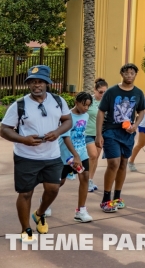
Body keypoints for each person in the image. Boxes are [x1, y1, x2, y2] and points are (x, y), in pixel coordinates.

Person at [0, 65, 72, 243]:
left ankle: (39, 214)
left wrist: (57, 132)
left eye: (40, 81)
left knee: (53, 188)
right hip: (26, 156)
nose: (36, 85)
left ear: (47, 83)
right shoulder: (19, 104)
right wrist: (23, 139)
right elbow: (4, 130)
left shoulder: (58, 101)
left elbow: (68, 120)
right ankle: (26, 229)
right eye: (32, 82)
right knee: (25, 193)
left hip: (52, 155)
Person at [95, 63, 145, 213]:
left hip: (128, 133)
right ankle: (106, 199)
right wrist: (99, 134)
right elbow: (101, 112)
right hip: (111, 131)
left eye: (132, 73)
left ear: (135, 75)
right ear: (122, 74)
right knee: (114, 163)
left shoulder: (138, 93)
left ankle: (117, 197)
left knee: (123, 164)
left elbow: (142, 110)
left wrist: (135, 125)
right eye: (126, 73)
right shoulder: (111, 91)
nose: (129, 76)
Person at [49, 91, 94, 223]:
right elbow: (66, 137)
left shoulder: (85, 116)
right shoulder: (67, 116)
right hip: (66, 153)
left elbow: (82, 133)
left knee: (85, 177)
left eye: (88, 106)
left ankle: (81, 211)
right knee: (59, 183)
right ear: (76, 102)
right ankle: (45, 202)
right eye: (84, 105)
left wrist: (80, 153)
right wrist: (75, 156)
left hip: (81, 151)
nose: (86, 108)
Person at [85, 78, 107, 192]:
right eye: (100, 92)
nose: (102, 94)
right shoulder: (89, 101)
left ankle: (90, 180)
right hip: (88, 133)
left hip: (100, 135)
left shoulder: (107, 102)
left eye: (105, 92)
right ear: (95, 90)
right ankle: (86, 179)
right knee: (93, 155)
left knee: (96, 157)